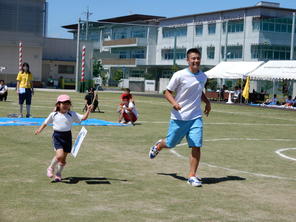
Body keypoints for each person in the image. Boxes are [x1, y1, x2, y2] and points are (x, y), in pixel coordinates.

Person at [148, 48, 211, 187]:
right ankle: (159, 145)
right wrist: (174, 103)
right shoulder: (179, 75)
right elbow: (167, 92)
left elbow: (199, 92)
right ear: (187, 60)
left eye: (198, 58)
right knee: (170, 144)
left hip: (196, 117)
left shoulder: (203, 76)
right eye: (193, 58)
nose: (196, 61)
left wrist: (207, 102)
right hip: (179, 117)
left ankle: (192, 176)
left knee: (196, 145)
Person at [34, 94, 92, 182]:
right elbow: (45, 122)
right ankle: (50, 168)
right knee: (59, 156)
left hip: (67, 136)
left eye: (67, 103)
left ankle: (58, 174)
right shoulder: (54, 114)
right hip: (57, 136)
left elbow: (83, 118)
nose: (65, 105)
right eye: (63, 103)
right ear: (58, 104)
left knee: (63, 159)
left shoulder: (72, 114)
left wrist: (88, 110)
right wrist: (39, 130)